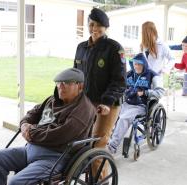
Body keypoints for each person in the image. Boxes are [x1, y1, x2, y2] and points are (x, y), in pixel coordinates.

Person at [0, 68, 96, 185]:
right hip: (29, 150)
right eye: (58, 83)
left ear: (80, 86)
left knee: (16, 182)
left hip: (54, 158)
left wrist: (31, 132)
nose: (60, 86)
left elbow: (59, 135)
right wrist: (24, 125)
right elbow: (32, 113)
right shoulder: (52, 100)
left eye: (66, 83)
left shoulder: (83, 110)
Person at [74, 7, 126, 178]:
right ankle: (91, 176)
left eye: (98, 25)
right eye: (91, 24)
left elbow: (119, 81)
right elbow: (76, 75)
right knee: (82, 143)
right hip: (86, 103)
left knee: (97, 145)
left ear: (105, 28)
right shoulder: (81, 47)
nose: (94, 28)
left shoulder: (114, 48)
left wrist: (106, 102)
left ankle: (99, 181)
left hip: (107, 105)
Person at [108, 53, 165, 153]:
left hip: (141, 105)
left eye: (139, 64)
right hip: (126, 103)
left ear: (144, 65)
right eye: (135, 64)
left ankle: (112, 147)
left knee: (123, 118)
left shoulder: (152, 75)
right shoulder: (129, 74)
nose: (137, 67)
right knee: (110, 112)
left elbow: (160, 92)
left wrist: (145, 92)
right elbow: (120, 86)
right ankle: (107, 139)